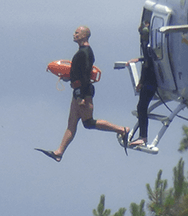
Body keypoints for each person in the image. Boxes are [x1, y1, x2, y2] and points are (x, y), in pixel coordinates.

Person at [36, 26, 129, 162]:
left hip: (83, 93)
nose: (74, 34)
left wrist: (81, 97)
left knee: (89, 123)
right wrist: (67, 77)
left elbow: (85, 76)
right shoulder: (81, 52)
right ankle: (59, 153)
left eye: (77, 33)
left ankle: (122, 129)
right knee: (71, 124)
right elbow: (77, 73)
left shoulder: (85, 53)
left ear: (84, 36)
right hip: (78, 92)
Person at [128, 21, 158, 148]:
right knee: (141, 107)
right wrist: (139, 59)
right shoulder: (151, 45)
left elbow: (147, 66)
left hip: (150, 82)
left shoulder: (147, 45)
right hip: (151, 80)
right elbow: (147, 60)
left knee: (141, 107)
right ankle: (142, 136)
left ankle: (143, 137)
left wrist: (140, 82)